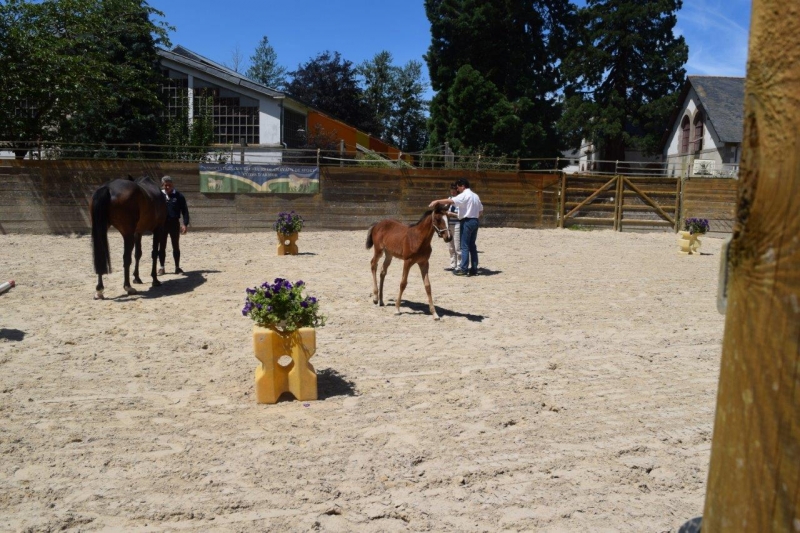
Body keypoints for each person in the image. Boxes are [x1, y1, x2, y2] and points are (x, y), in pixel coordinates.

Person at [429, 178, 483, 276]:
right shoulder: (475, 196)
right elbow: (481, 211)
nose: (457, 189)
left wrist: (437, 201)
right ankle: (474, 268)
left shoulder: (464, 195)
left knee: (464, 246)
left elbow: (450, 200)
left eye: (458, 187)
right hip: (475, 221)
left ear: (463, 186)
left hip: (466, 221)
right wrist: (474, 218)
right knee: (472, 246)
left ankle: (463, 269)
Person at [158, 176, 190, 275]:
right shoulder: (159, 196)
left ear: (172, 185)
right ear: (162, 185)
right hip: (162, 224)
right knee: (161, 246)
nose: (167, 187)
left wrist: (185, 224)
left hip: (174, 224)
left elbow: (185, 211)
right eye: (165, 185)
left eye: (169, 185)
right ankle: (162, 267)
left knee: (175, 246)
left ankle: (177, 267)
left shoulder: (179, 196)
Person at [444, 183, 461, 270]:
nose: (453, 192)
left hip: (457, 224)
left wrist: (452, 214)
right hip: (449, 224)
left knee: (457, 246)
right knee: (450, 246)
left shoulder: (460, 200)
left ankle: (459, 265)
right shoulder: (449, 199)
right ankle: (453, 264)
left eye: (454, 191)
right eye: (451, 191)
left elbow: (462, 215)